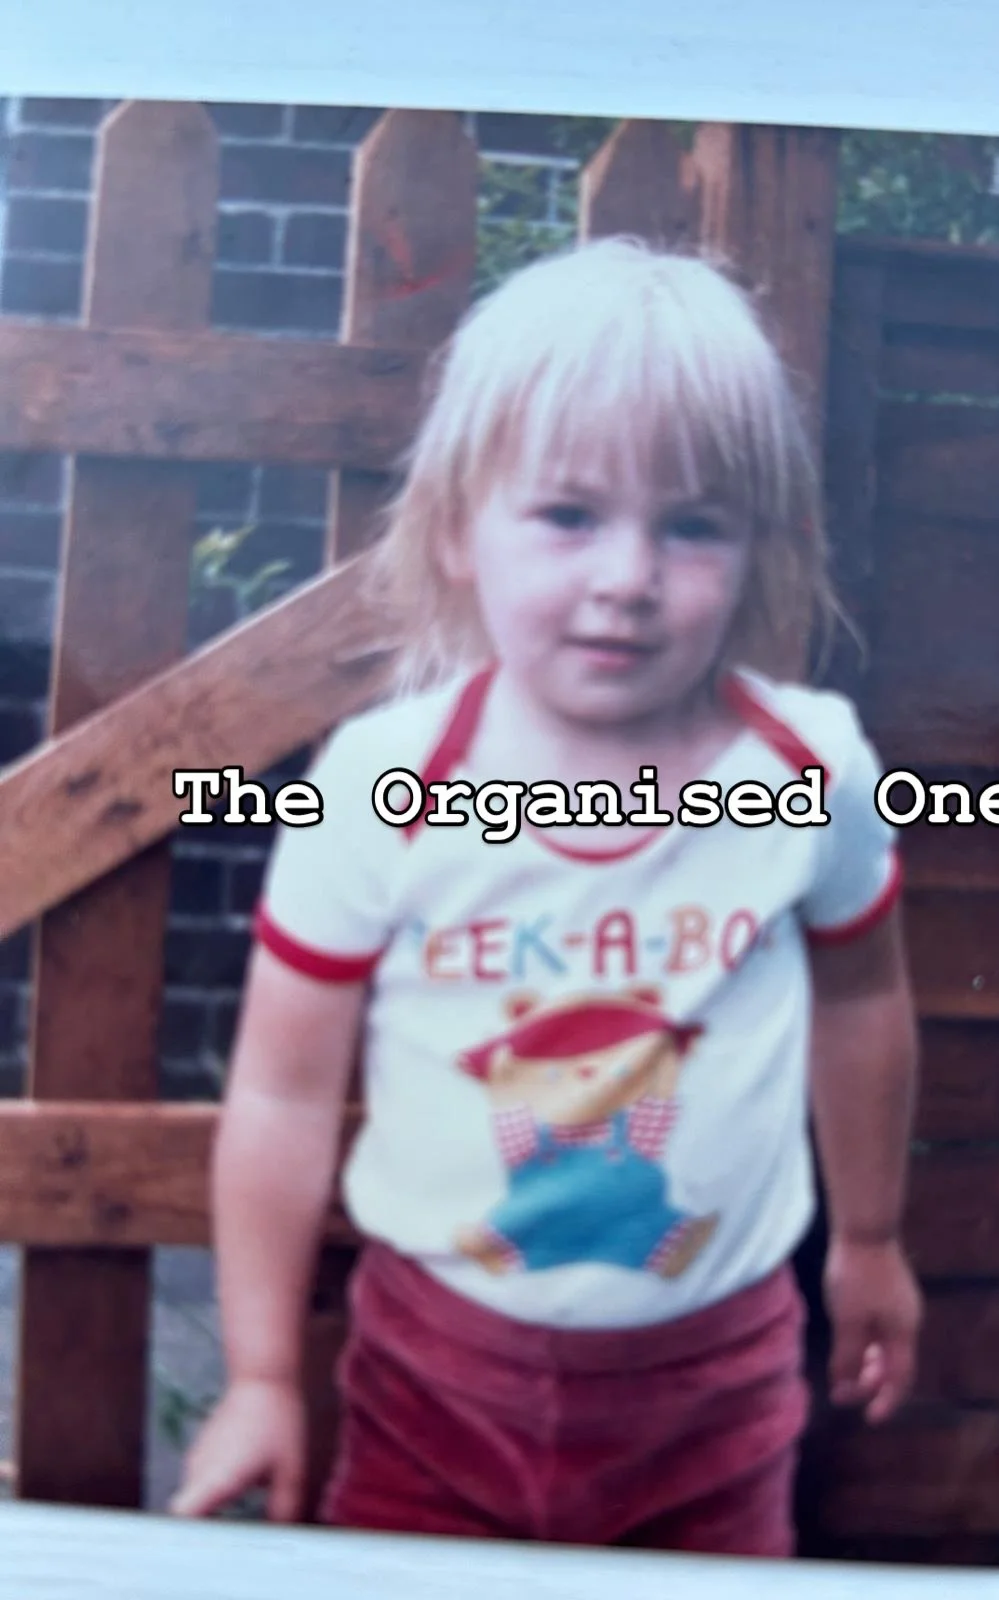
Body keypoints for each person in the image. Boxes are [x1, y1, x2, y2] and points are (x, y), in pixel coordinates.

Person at [169, 237, 922, 1558]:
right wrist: (261, 1378)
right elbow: (283, 1095)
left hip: (723, 1386)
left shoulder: (810, 767)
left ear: (759, 550)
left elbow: (865, 1001)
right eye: (569, 514)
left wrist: (871, 1237)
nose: (627, 576)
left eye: (692, 525)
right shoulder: (381, 782)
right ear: (460, 527)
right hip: (430, 1384)